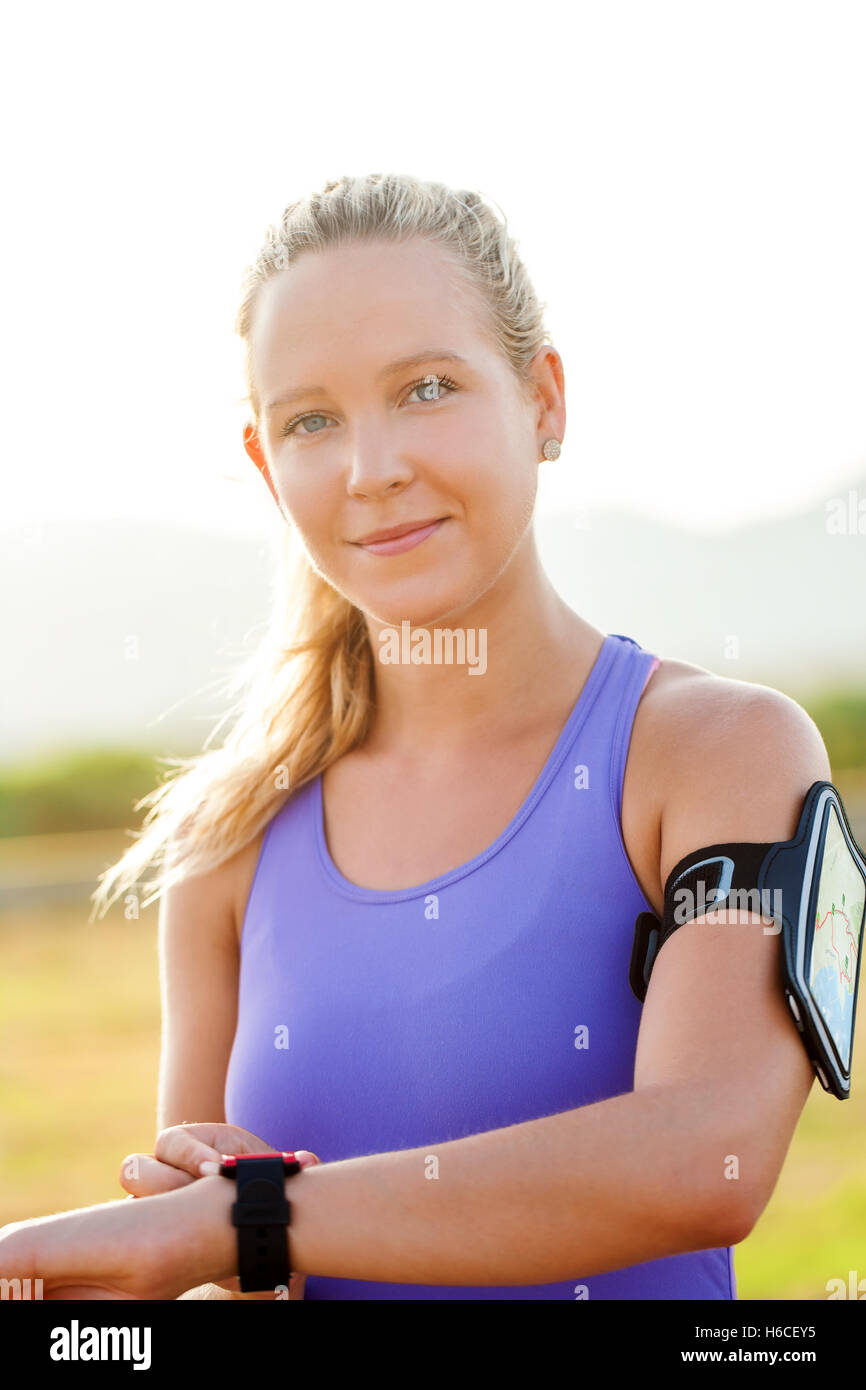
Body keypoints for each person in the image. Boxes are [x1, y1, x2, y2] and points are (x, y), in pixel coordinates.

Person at [0, 172, 827, 1300]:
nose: (370, 468)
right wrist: (214, 1254)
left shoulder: (716, 754)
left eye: (427, 387)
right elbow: (218, 1266)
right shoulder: (227, 838)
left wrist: (244, 1221)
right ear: (264, 464)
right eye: (311, 421)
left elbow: (705, 1157)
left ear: (544, 399)